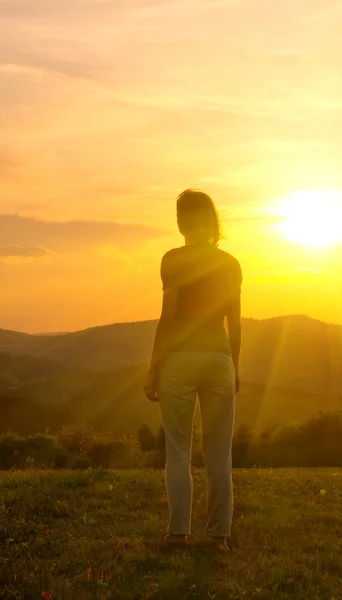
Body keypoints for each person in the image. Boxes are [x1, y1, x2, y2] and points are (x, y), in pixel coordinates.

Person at [143, 189, 242, 552]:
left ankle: (178, 533)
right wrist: (234, 367)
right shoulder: (230, 263)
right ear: (212, 220)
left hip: (180, 362)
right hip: (219, 359)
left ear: (182, 221)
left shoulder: (172, 260)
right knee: (219, 453)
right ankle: (219, 538)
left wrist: (153, 367)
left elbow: (168, 320)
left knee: (179, 450)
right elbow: (237, 322)